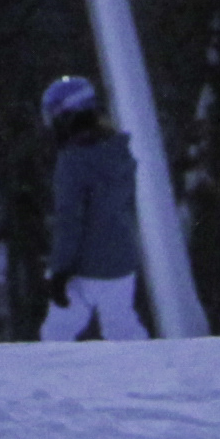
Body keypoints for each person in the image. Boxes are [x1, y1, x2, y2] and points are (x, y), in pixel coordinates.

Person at [34, 72, 150, 340]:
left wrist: (60, 270)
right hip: (122, 262)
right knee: (121, 325)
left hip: (85, 268)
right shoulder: (119, 151)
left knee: (56, 332)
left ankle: (49, 378)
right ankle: (151, 371)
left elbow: (69, 220)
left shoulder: (72, 162)